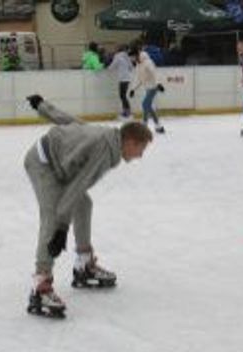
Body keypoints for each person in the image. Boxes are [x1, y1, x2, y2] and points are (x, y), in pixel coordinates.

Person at [21, 95, 153, 319]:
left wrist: (43, 107)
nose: (140, 155)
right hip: (43, 163)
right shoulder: (105, 151)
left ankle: (84, 264)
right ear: (130, 141)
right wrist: (62, 228)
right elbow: (77, 185)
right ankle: (41, 284)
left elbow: (71, 122)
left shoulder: (108, 135)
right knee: (52, 218)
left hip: (61, 162)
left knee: (84, 204)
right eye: (141, 149)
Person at [129, 48, 164, 134]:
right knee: (148, 106)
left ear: (136, 55)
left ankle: (144, 126)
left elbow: (154, 73)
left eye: (132, 57)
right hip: (147, 87)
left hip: (154, 86)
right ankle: (158, 126)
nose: (131, 59)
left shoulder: (148, 62)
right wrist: (133, 89)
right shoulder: (138, 64)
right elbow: (138, 78)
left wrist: (158, 83)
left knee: (145, 104)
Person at [108, 46, 135, 119]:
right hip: (127, 78)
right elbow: (131, 67)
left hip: (122, 78)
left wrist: (108, 69)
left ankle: (127, 111)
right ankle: (126, 111)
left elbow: (113, 65)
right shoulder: (126, 56)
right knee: (123, 95)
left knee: (122, 95)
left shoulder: (117, 56)